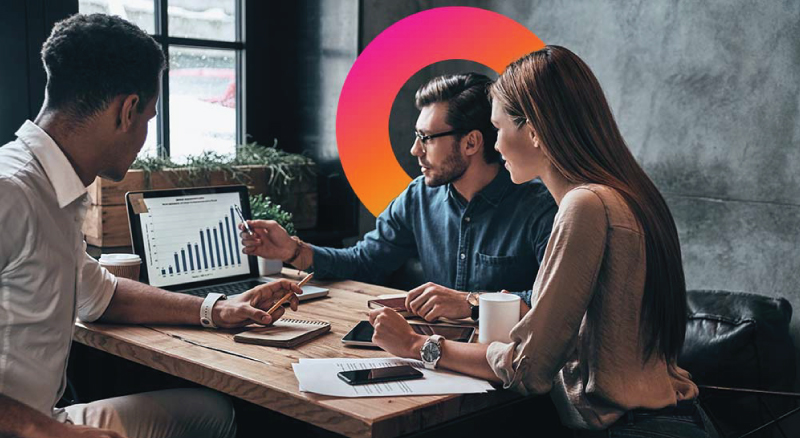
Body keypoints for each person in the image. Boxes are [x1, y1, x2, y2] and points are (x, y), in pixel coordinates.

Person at [369, 46, 718, 437]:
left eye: (498, 129)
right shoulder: (626, 194)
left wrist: (418, 345)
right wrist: (475, 306)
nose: (495, 146)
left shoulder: (584, 205)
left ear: (533, 130)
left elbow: (529, 369)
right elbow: (585, 329)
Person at [0, 14, 302, 438]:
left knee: (214, 414)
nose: (145, 134)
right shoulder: (10, 189)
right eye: (148, 118)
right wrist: (43, 430)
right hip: (30, 428)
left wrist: (215, 309)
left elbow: (100, 295)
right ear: (126, 110)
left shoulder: (55, 188)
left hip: (46, 419)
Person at [241, 73, 557, 321]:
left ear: (471, 143)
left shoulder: (540, 209)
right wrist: (293, 250)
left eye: (426, 139)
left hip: (504, 371)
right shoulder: (418, 198)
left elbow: (553, 304)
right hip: (432, 355)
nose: (414, 150)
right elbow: (365, 262)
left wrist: (469, 302)